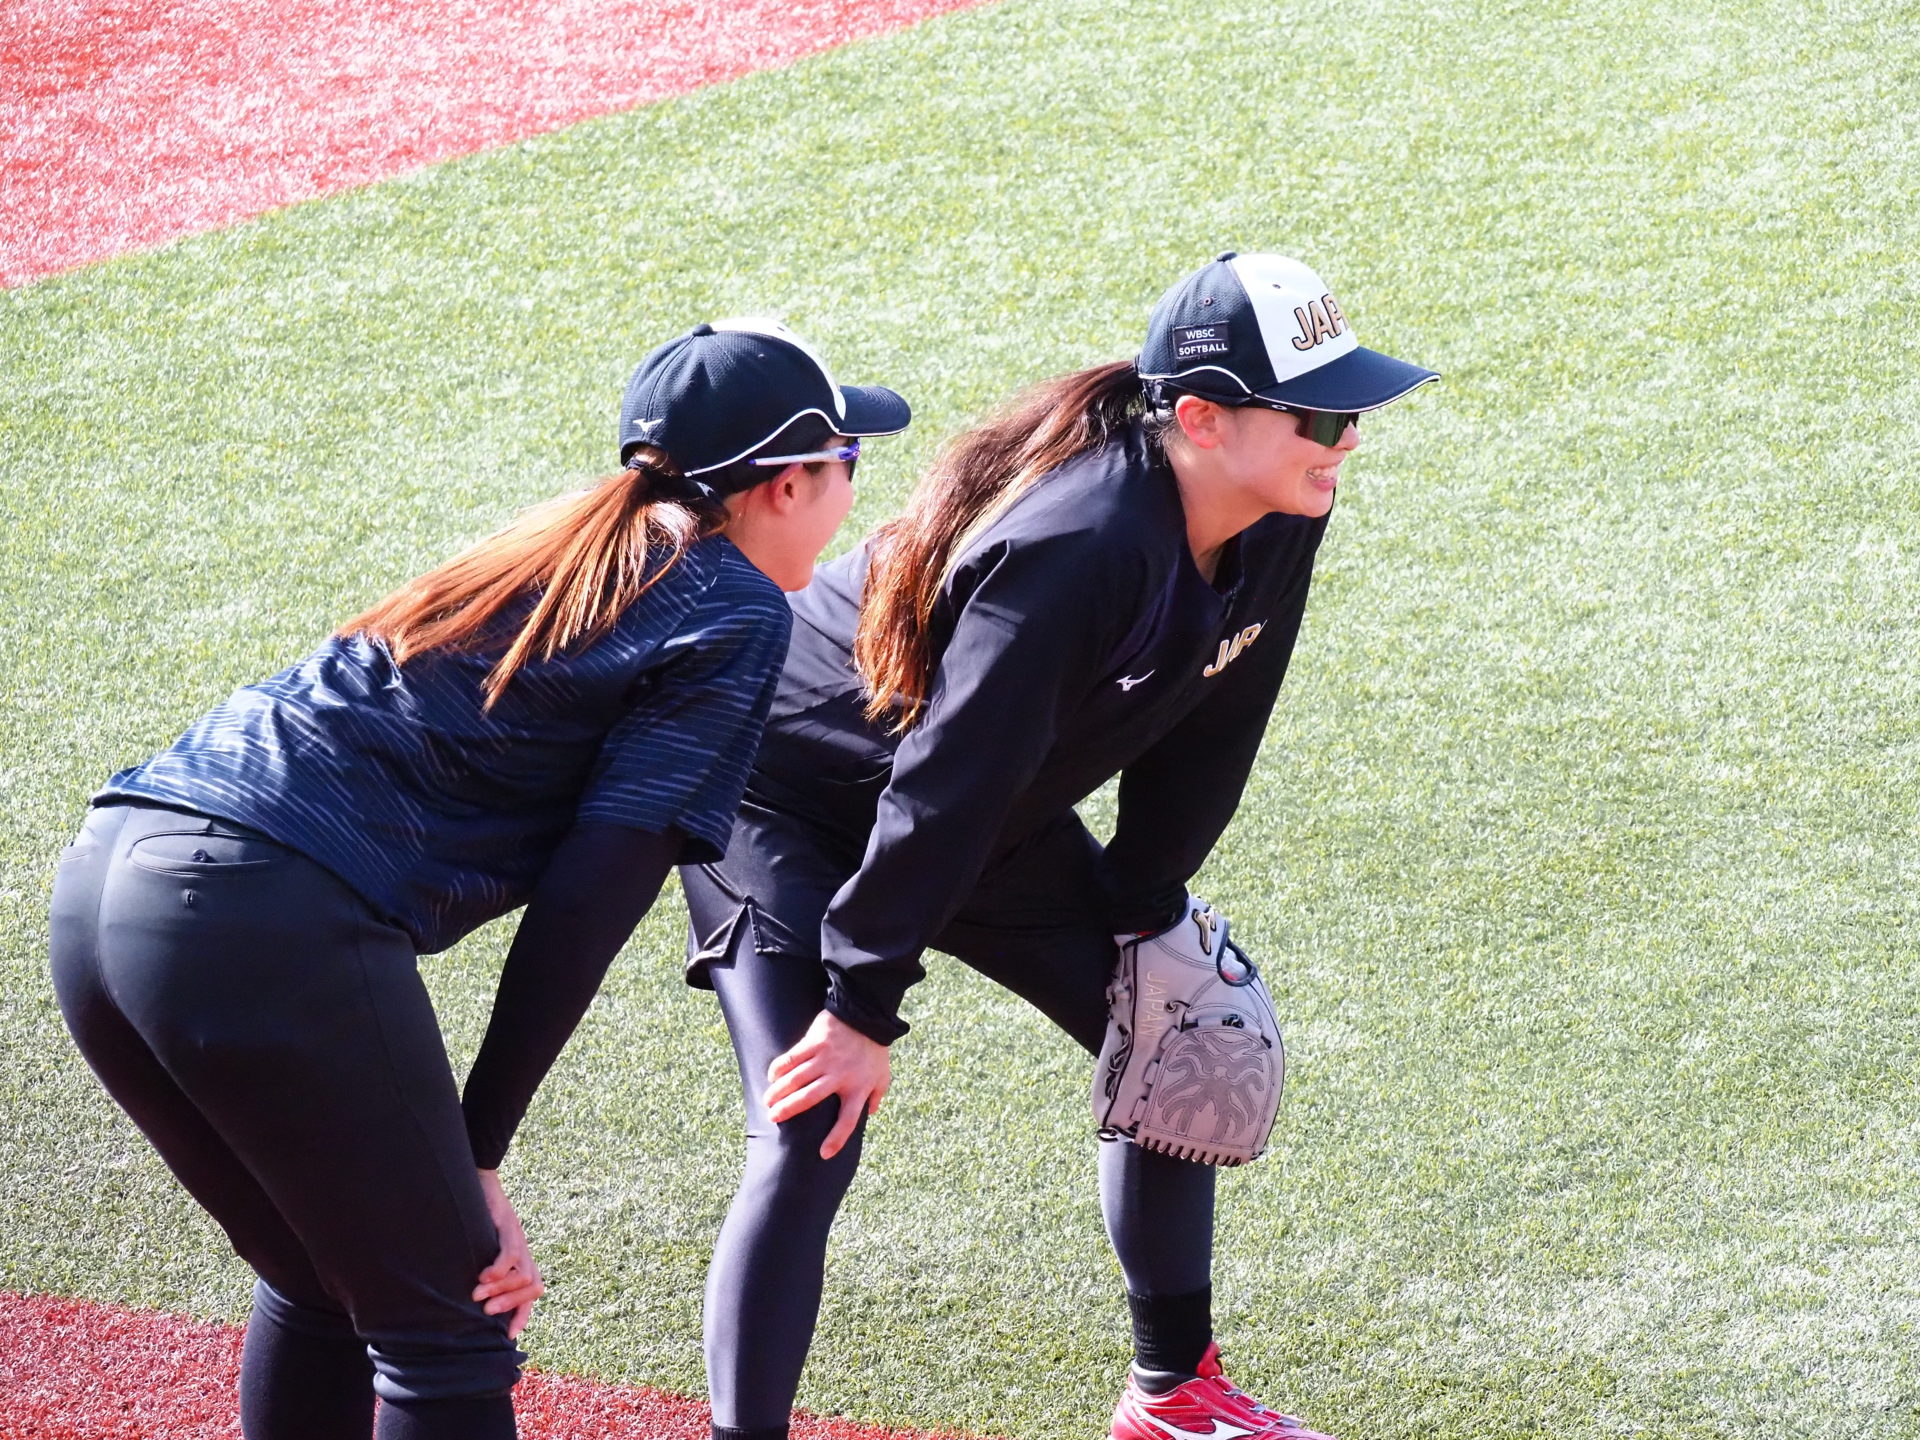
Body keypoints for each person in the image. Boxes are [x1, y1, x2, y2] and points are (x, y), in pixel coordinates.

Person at [47, 319, 909, 1440]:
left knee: (322, 1279)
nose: (854, 490)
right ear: (786, 485)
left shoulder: (556, 550)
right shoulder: (730, 602)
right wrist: (478, 1153)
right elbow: (592, 898)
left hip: (106, 886)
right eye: (848, 460)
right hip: (256, 908)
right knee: (451, 1324)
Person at [680, 254, 1438, 1440]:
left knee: (1186, 1029)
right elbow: (949, 779)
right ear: (1203, 418)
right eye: (1322, 415)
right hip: (778, 797)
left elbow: (1218, 716)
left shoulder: (1281, 510)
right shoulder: (1082, 543)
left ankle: (1173, 1396)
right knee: (810, 1121)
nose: (1348, 439)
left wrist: (1146, 901)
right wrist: (860, 1002)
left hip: (974, 811)